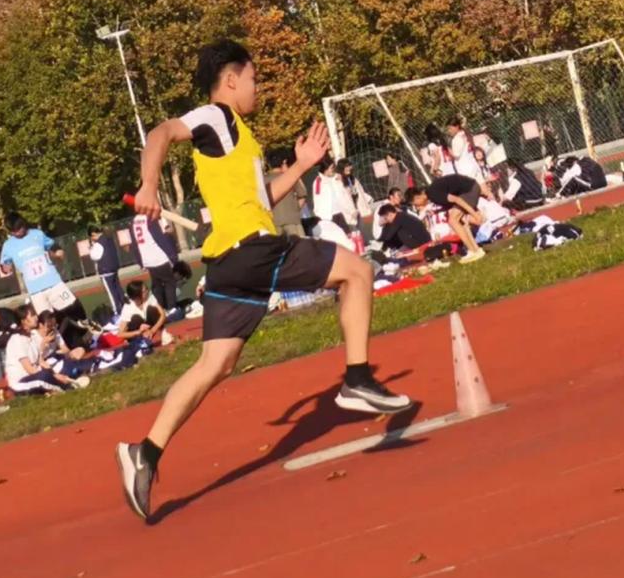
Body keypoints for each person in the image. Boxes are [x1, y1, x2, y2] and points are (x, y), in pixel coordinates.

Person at [116, 39, 412, 520]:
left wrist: (301, 166)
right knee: (357, 272)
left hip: (230, 262)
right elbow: (161, 132)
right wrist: (149, 184)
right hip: (252, 252)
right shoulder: (217, 117)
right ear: (231, 80)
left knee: (215, 364)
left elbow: (261, 201)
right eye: (253, 79)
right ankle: (357, 379)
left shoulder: (239, 139)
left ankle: (144, 453)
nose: (257, 88)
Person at [0, 212, 89, 349]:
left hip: (53, 281)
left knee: (73, 306)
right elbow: (4, 264)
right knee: (48, 322)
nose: (18, 232)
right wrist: (6, 268)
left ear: (23, 223)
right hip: (36, 290)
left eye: (19, 228)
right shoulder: (8, 245)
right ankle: (64, 347)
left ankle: (86, 327)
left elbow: (51, 245)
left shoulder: (37, 234)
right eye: (14, 231)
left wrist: (58, 251)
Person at [4, 305, 90, 395]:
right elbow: (30, 370)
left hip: (37, 374)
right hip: (22, 381)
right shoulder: (17, 339)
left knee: (58, 367)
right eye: (32, 315)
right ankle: (66, 388)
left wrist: (56, 374)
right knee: (45, 376)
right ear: (24, 321)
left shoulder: (31, 337)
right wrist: (56, 377)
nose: (36, 317)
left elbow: (41, 362)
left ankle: (90, 366)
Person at [406, 174, 486, 263]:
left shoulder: (433, 194)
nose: (416, 207)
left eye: (415, 204)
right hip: (468, 188)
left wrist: (474, 214)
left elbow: (457, 199)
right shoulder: (432, 193)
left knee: (453, 220)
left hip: (469, 189)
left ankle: (473, 251)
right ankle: (476, 249)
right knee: (459, 220)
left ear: (417, 198)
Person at [131, 212, 187, 315]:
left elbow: (134, 243)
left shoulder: (134, 221)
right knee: (169, 282)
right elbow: (161, 238)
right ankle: (171, 308)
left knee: (157, 285)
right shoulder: (150, 218)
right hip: (159, 256)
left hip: (147, 259)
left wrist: (140, 261)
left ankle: (160, 309)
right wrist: (172, 256)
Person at [116, 280, 173, 347]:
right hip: (138, 332)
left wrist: (152, 331)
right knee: (135, 318)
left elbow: (162, 315)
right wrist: (139, 332)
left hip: (151, 327)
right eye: (144, 291)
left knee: (151, 309)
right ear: (137, 296)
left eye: (147, 289)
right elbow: (120, 334)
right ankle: (141, 342)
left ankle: (161, 333)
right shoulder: (128, 307)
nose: (147, 291)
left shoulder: (150, 296)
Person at [266, 151, 308, 237]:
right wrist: (295, 209)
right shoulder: (289, 176)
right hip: (293, 221)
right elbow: (303, 195)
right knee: (299, 244)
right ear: (284, 162)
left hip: (274, 223)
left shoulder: (264, 180)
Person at [311, 157, 355, 234]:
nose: (333, 170)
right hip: (329, 215)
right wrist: (319, 216)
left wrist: (351, 209)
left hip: (340, 212)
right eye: (331, 168)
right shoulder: (318, 181)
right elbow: (317, 200)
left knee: (348, 234)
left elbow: (345, 193)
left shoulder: (337, 177)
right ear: (326, 169)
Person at [88, 226, 124, 315]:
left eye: (91, 237)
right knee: (118, 289)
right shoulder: (109, 239)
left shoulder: (98, 243)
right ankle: (124, 305)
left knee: (111, 292)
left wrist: (91, 248)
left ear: (93, 234)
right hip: (114, 268)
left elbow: (95, 256)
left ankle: (117, 311)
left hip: (106, 270)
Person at [336, 158, 373, 230]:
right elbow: (342, 200)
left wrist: (368, 198)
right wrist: (351, 211)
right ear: (341, 168)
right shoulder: (338, 182)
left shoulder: (352, 179)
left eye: (349, 166)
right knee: (356, 232)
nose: (349, 168)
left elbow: (360, 192)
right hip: (350, 214)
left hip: (360, 210)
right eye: (346, 166)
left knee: (366, 230)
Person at [446, 117, 481, 182]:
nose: (449, 131)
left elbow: (456, 156)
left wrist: (448, 149)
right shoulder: (465, 133)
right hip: (473, 163)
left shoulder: (456, 139)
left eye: (450, 128)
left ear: (457, 126)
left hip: (465, 168)